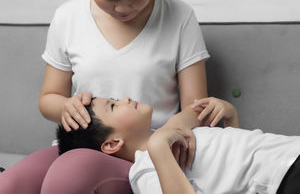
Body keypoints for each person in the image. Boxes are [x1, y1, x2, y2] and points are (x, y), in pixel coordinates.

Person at [0, 0, 210, 193]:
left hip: (145, 154)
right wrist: (68, 107)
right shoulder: (67, 17)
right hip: (84, 143)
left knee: (70, 173)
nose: (123, 8)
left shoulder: (179, 15)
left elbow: (197, 108)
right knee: (9, 184)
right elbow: (48, 99)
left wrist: (161, 142)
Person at [56, 96, 300, 194]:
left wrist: (231, 116)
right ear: (112, 144)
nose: (125, 98)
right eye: (113, 105)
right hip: (284, 175)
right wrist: (159, 147)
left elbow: (232, 167)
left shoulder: (173, 130)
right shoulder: (144, 169)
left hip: (289, 152)